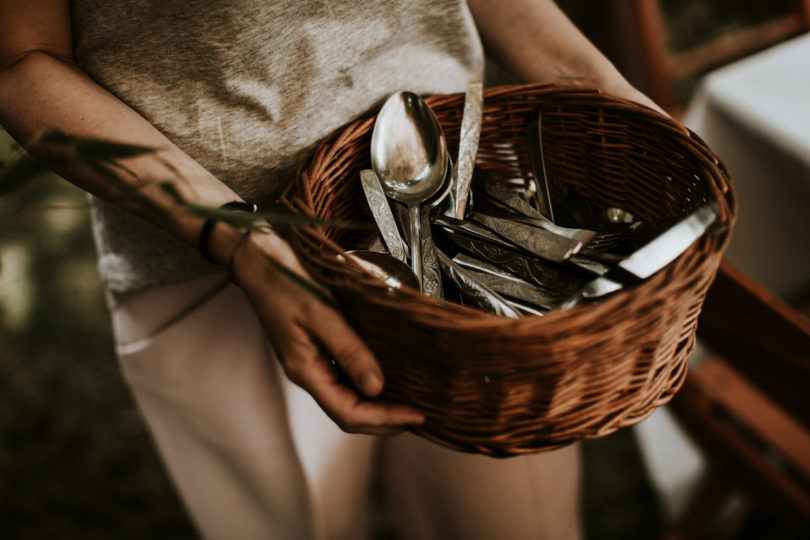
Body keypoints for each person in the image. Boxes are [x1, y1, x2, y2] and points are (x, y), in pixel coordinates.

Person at [0, 1, 662, 538]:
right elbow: (26, 60)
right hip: (208, 262)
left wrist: (598, 85)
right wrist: (236, 239)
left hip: (462, 202)